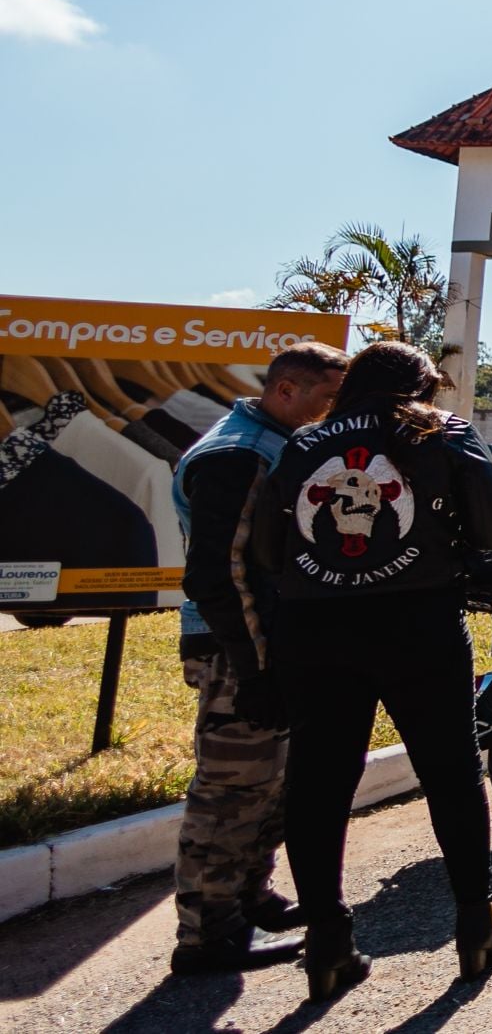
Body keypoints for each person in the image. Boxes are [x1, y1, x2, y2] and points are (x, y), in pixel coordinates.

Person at [250, 341, 492, 1001]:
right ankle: (475, 925)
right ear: (420, 385)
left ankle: (329, 943)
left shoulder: (302, 444)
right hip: (416, 622)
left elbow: (266, 546)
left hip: (313, 627)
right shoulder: (444, 433)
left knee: (317, 783)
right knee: (451, 773)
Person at [167, 341, 348, 975]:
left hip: (269, 641)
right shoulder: (238, 455)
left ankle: (248, 897)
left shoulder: (271, 441)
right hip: (238, 645)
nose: (333, 412)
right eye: (327, 399)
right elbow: (221, 574)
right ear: (286, 391)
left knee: (271, 781)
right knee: (232, 789)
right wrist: (255, 669)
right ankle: (207, 933)